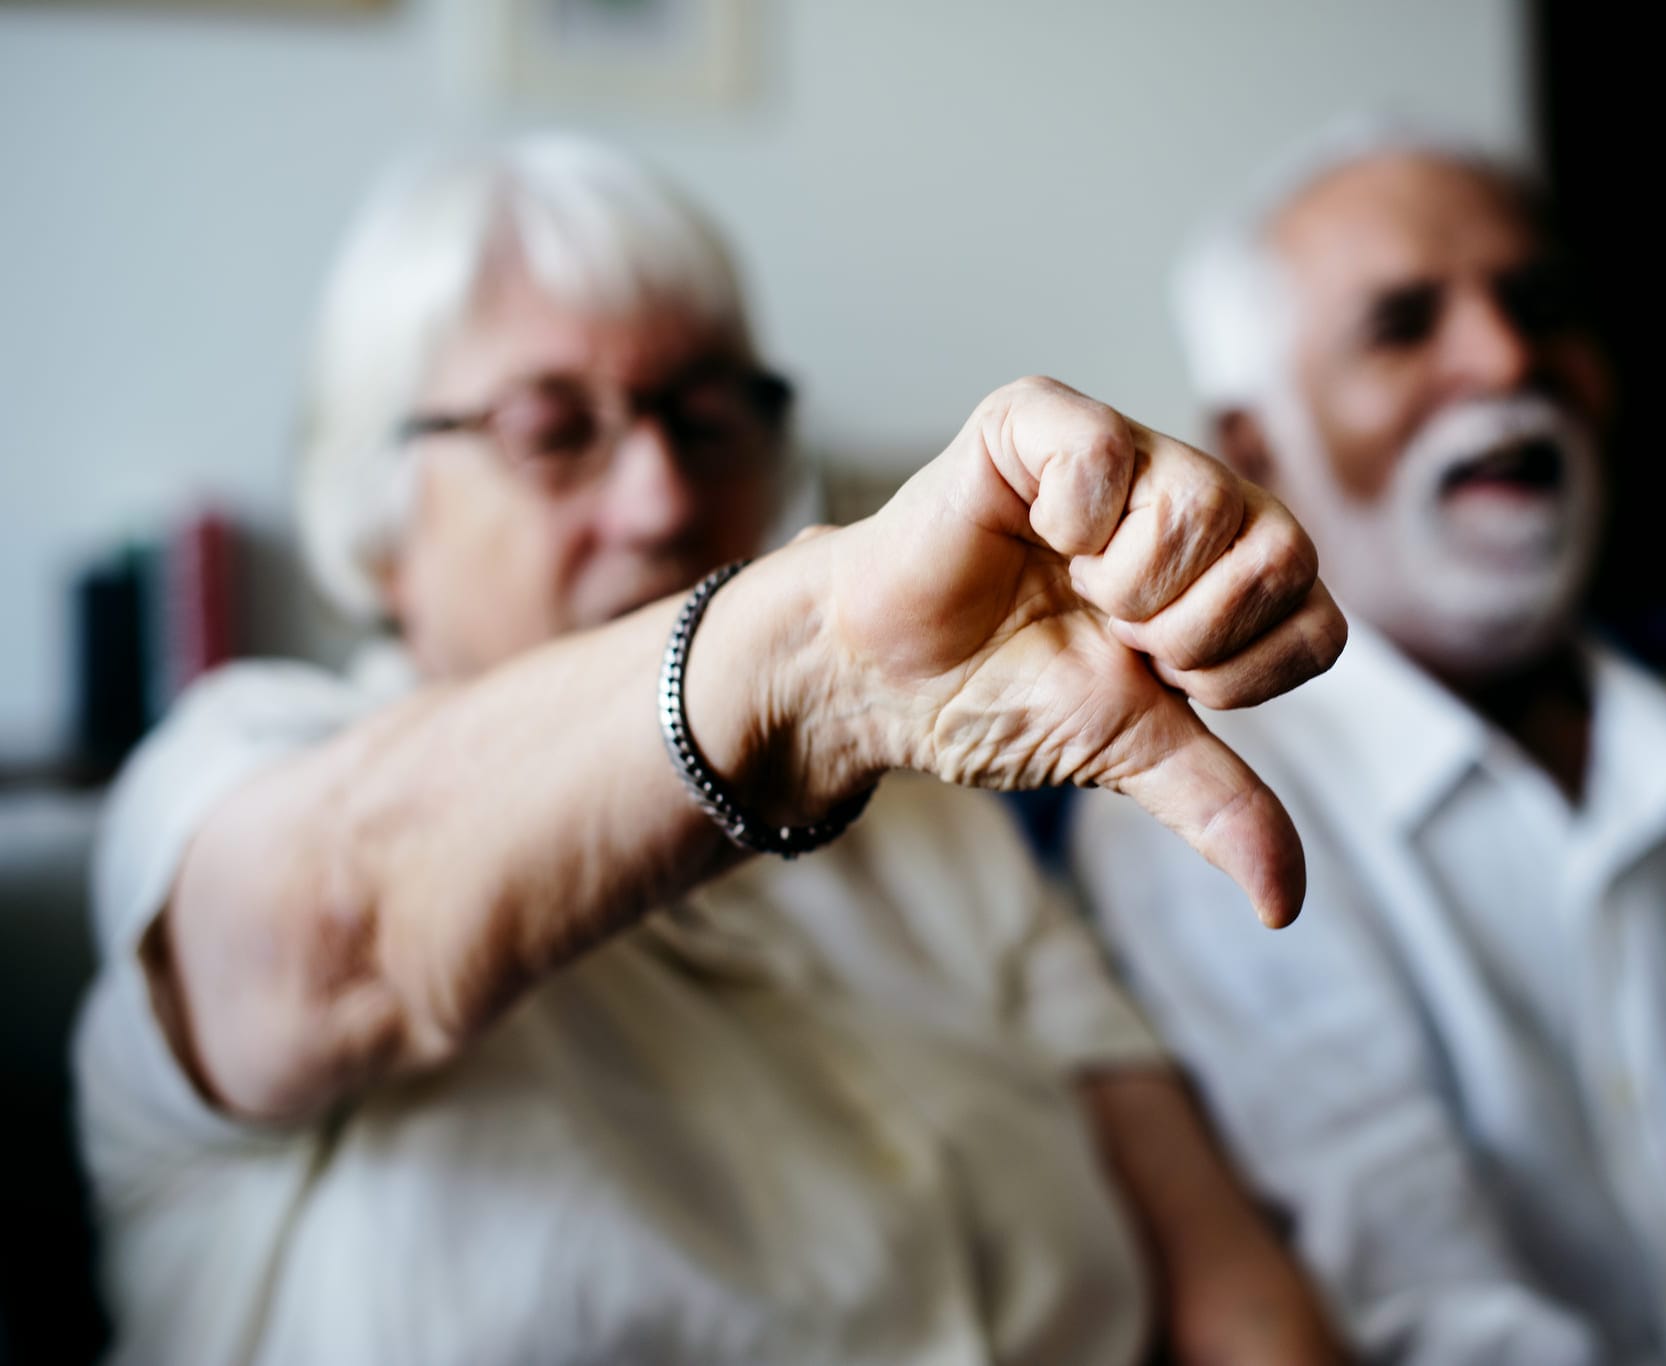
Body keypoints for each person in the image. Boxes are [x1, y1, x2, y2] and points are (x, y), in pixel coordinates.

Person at [73, 135, 1352, 1365]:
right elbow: (336, 940)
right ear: (379, 517)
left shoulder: (933, 829)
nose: (663, 498)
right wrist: (808, 657)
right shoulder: (243, 761)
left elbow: (1229, 1284)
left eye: (710, 416)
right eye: (553, 430)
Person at [1071, 120, 1666, 1365]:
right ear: (1254, 446)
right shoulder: (1209, 814)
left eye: (1541, 307)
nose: (1509, 357)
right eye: (1403, 325)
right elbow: (1430, 1312)